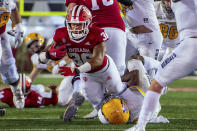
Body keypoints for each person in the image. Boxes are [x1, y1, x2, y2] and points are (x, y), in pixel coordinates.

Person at [39, 5, 125, 121]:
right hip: (87, 74)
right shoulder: (61, 34)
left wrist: (76, 70)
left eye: (79, 24)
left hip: (105, 69)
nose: (75, 27)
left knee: (118, 91)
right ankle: (110, 116)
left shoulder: (96, 32)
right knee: (97, 103)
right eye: (72, 24)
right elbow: (41, 58)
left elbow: (98, 60)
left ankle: (129, 110)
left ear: (88, 23)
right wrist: (48, 55)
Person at [126, 0, 197, 130]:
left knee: (156, 81)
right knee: (154, 79)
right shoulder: (154, 7)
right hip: (163, 46)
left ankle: (142, 124)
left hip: (178, 47)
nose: (168, 4)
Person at [98, 55, 168, 125]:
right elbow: (135, 74)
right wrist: (117, 81)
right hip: (146, 97)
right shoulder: (131, 98)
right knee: (134, 60)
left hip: (149, 113)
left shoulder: (122, 117)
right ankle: (162, 65)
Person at [65, 0, 126, 76]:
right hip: (115, 27)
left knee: (90, 72)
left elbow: (71, 10)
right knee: (118, 71)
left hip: (92, 30)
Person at [24, 32, 74, 106]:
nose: (33, 46)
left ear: (40, 40)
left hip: (76, 69)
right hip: (68, 76)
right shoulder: (36, 59)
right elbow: (32, 77)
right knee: (62, 102)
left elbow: (73, 54)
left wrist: (61, 63)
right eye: (30, 45)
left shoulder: (52, 43)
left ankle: (79, 92)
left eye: (34, 43)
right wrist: (23, 85)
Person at [119, 0, 163, 80]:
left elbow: (127, 2)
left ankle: (164, 66)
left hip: (149, 36)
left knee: (147, 76)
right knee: (123, 69)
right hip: (131, 35)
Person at [0, 0, 24, 109]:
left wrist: (19, 29)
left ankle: (17, 92)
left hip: (1, 34)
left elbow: (14, 9)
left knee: (9, 67)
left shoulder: (7, 1)